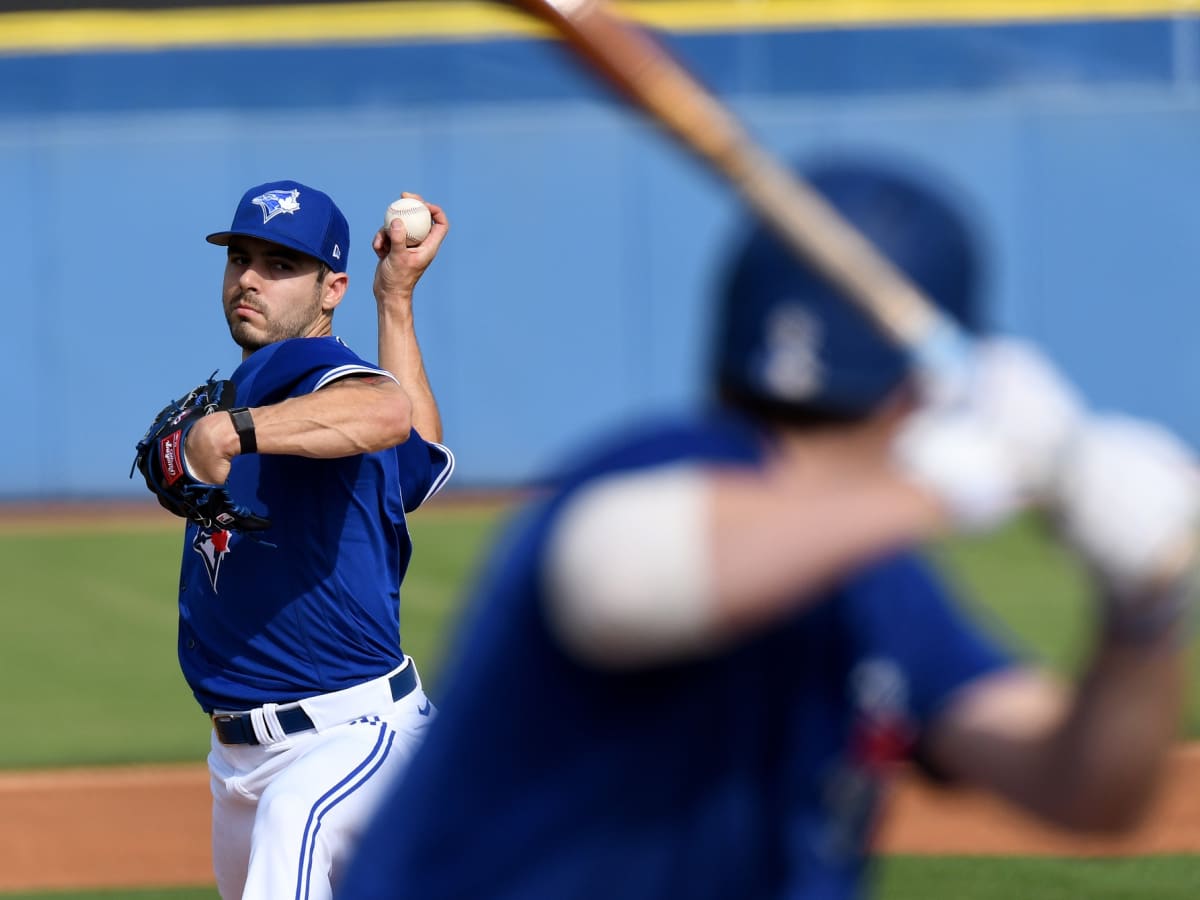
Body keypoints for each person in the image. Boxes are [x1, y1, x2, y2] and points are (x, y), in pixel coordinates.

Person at [337, 158, 1199, 899]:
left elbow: (1080, 788)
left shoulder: (873, 582)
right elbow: (623, 581)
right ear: (922, 389)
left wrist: (1142, 613)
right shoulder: (655, 473)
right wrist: (955, 478)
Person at [157, 180, 454, 900]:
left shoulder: (297, 371)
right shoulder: (257, 387)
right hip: (239, 764)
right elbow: (415, 458)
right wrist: (397, 303)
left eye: (281, 264)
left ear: (330, 289)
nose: (251, 278)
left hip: (347, 735)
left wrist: (235, 430)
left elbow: (386, 412)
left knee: (295, 821)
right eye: (241, 258)